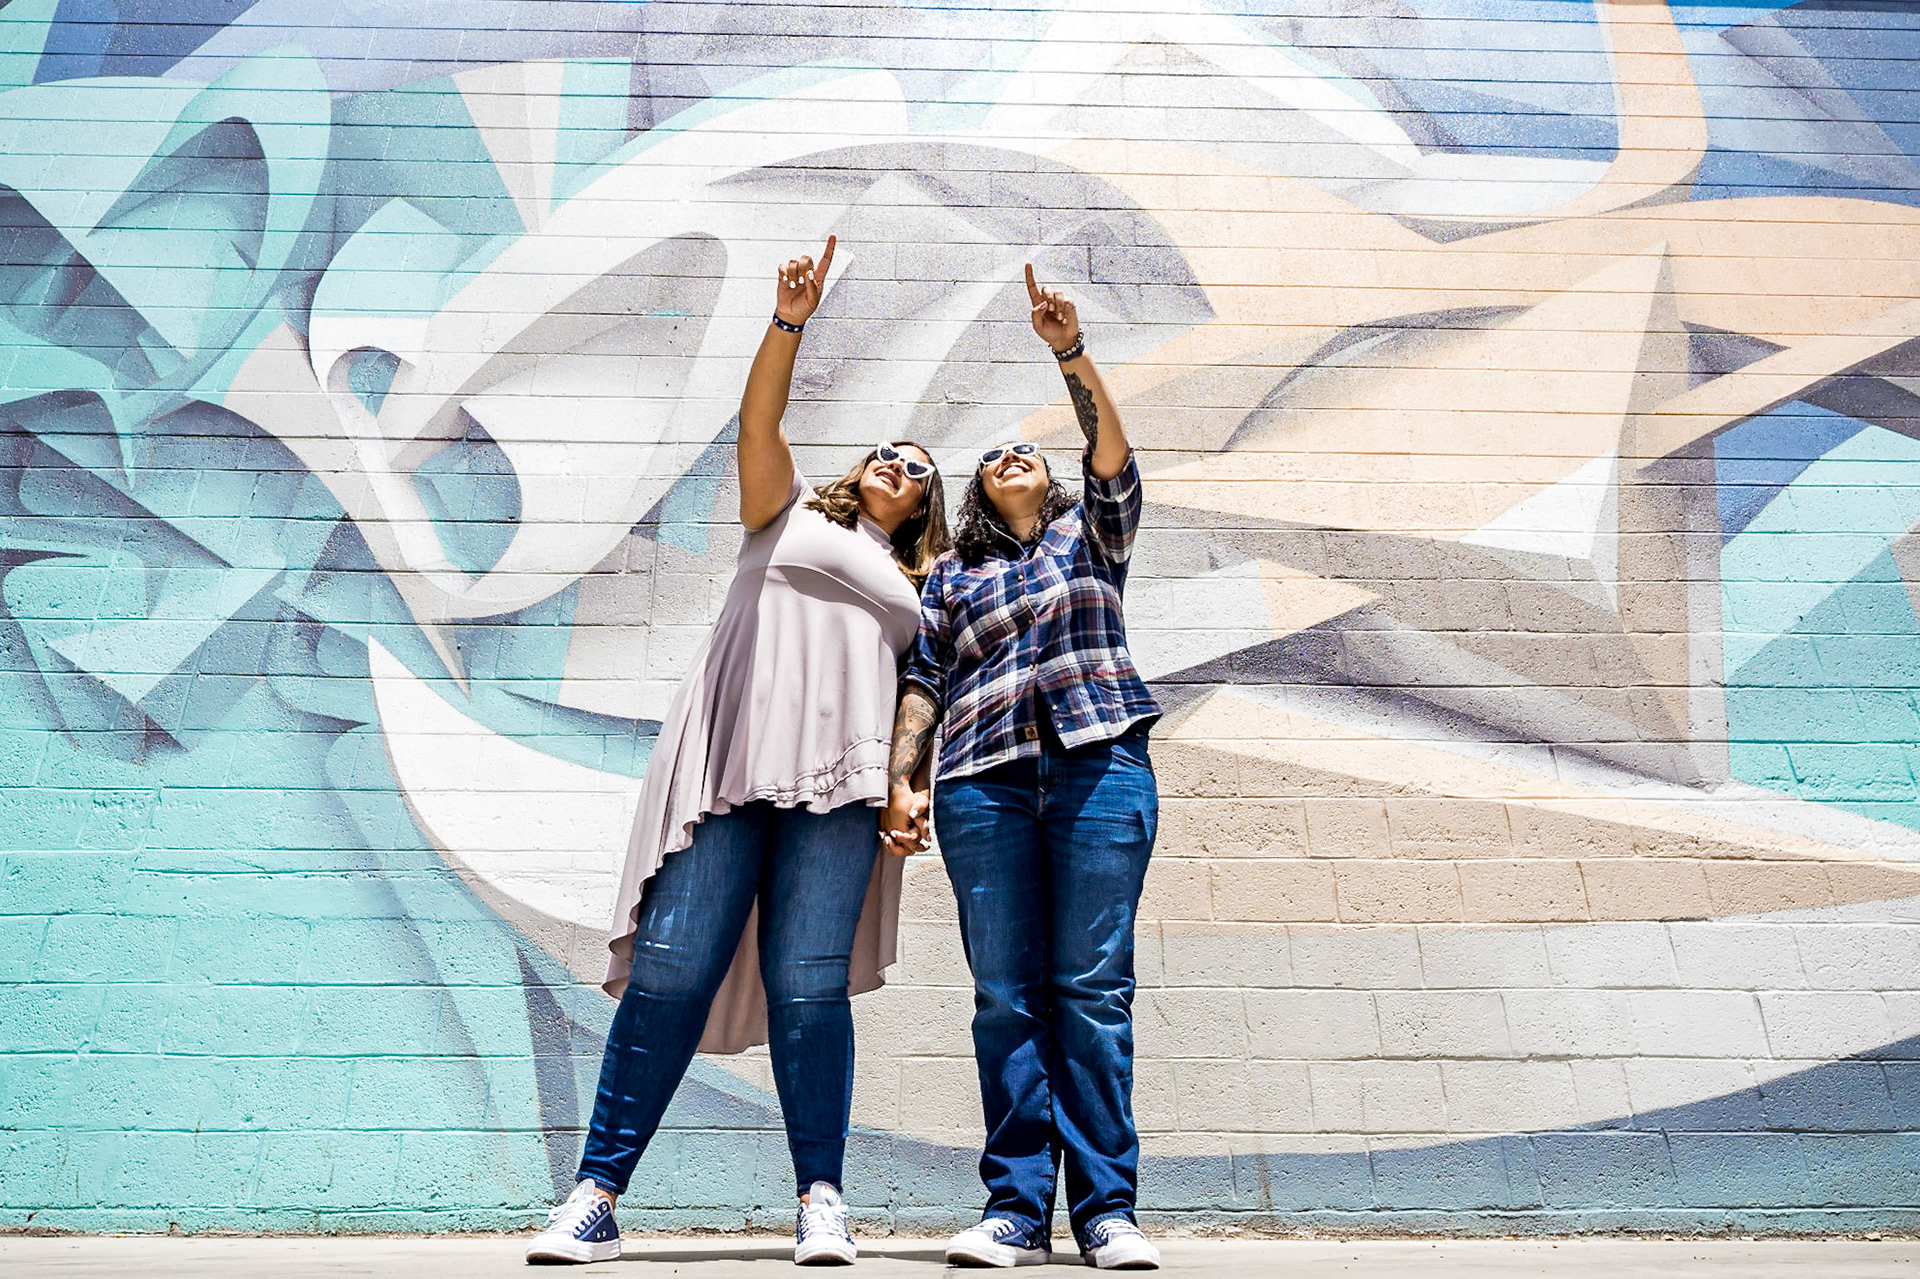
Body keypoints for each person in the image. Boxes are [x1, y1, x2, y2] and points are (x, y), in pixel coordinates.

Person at [527, 236, 950, 1266]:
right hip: (730, 767)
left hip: (843, 788)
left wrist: (905, 784)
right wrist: (788, 321)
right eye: (889, 451)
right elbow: (758, 422)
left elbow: (922, 692)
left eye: (920, 470)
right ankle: (596, 1194)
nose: (898, 463)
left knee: (809, 984)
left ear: (926, 511)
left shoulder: (920, 587)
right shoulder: (791, 512)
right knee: (670, 969)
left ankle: (820, 1199)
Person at [883, 265, 1163, 1270]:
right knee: (1007, 994)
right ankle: (1013, 1208)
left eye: (1027, 449)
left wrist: (1069, 350)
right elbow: (924, 679)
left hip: (1099, 767)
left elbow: (1114, 457)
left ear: (1049, 480)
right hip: (981, 783)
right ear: (976, 490)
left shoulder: (1095, 537)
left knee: (1090, 988)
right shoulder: (955, 574)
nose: (1011, 454)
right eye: (994, 452)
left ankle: (1106, 1212)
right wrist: (905, 779)